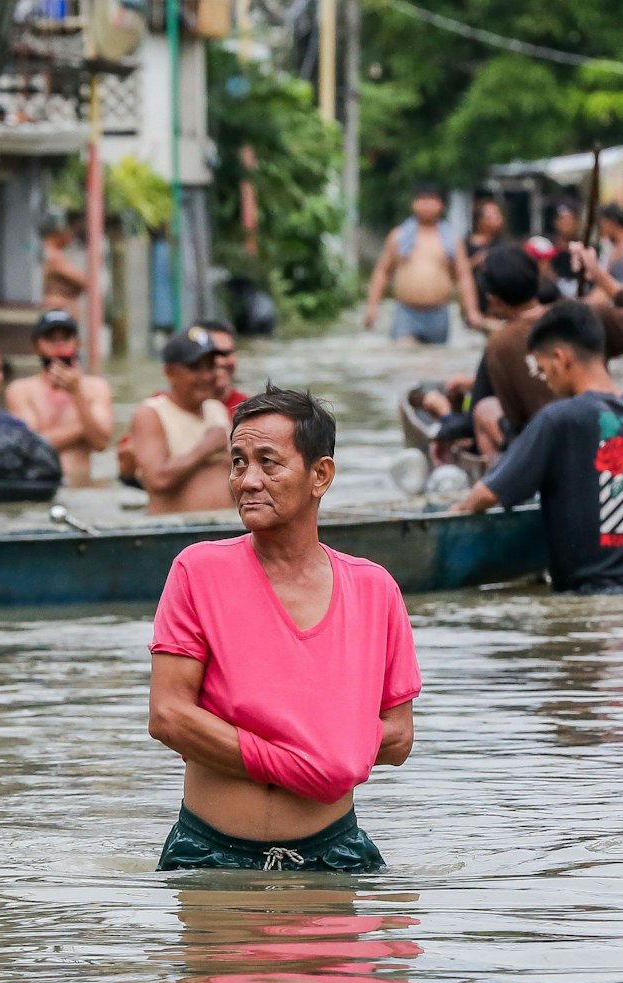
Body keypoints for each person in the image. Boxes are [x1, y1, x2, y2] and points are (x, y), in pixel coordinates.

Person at [147, 387, 419, 872]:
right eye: (237, 462)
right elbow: (169, 715)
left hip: (335, 854)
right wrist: (304, 764)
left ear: (321, 475)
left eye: (268, 462)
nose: (248, 480)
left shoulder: (374, 589)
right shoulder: (198, 571)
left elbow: (398, 736)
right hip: (210, 855)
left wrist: (323, 750)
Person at [452, 302, 623, 595]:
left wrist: (457, 510)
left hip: (595, 600)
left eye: (543, 371)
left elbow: (487, 494)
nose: (547, 382)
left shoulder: (557, 420)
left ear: (561, 358)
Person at [467, 242, 623, 458]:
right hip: (602, 435)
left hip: (547, 448)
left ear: (493, 300)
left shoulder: (498, 344)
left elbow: (515, 419)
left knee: (485, 408)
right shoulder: (585, 315)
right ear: (539, 278)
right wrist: (599, 274)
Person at [127, 328, 233, 515]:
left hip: (224, 528)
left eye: (210, 366)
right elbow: (157, 480)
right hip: (175, 533)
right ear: (170, 372)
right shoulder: (151, 414)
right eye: (195, 367)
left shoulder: (216, 409)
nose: (207, 376)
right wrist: (206, 448)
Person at [5, 309, 114, 485]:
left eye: (65, 338)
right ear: (36, 346)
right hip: (39, 487)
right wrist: (83, 428)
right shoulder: (21, 390)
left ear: (77, 344)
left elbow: (100, 442)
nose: (59, 345)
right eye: (51, 339)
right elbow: (31, 447)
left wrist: (77, 393)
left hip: (81, 488)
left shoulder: (96, 387)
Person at [361, 186, 482, 344]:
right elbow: (382, 272)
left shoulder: (452, 239)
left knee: (436, 362)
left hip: (439, 313)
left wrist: (471, 311)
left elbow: (463, 276)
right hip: (406, 313)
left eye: (432, 200)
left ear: (441, 205)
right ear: (414, 204)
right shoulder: (399, 236)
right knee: (405, 356)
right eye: (422, 200)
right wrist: (372, 307)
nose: (427, 205)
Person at [193, 317, 247, 412]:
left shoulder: (249, 410)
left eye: (226, 353)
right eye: (210, 356)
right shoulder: (161, 409)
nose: (220, 361)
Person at [465, 196, 506, 319]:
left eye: (499, 214)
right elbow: (457, 272)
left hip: (500, 307)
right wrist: (475, 261)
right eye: (493, 215)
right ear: (479, 220)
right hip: (475, 306)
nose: (499, 218)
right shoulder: (466, 244)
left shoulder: (504, 243)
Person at [41, 216, 89, 313]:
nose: (71, 236)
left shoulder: (53, 253)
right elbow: (83, 281)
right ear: (59, 233)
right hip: (56, 312)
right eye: (68, 231)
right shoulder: (53, 255)